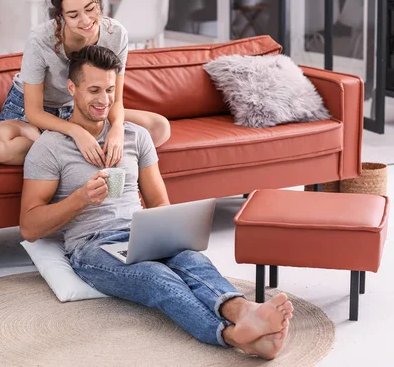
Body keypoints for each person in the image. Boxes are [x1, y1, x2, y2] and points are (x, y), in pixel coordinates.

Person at [19, 45, 294, 360]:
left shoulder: (135, 136)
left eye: (110, 90)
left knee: (192, 261)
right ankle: (229, 335)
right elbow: (29, 226)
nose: (103, 99)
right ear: (72, 88)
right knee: (155, 276)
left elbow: (159, 203)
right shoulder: (50, 147)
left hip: (140, 235)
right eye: (93, 90)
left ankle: (244, 311)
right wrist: (81, 199)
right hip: (91, 247)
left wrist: (170, 236)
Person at [0, 0, 170, 167]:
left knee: (160, 128)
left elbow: (116, 101)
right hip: (35, 115)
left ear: (98, 0)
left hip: (79, 108)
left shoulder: (116, 35)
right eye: (73, 15)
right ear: (61, 16)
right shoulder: (41, 40)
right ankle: (75, 148)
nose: (86, 20)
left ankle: (63, 150)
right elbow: (34, 111)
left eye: (90, 8)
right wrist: (77, 132)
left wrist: (117, 131)